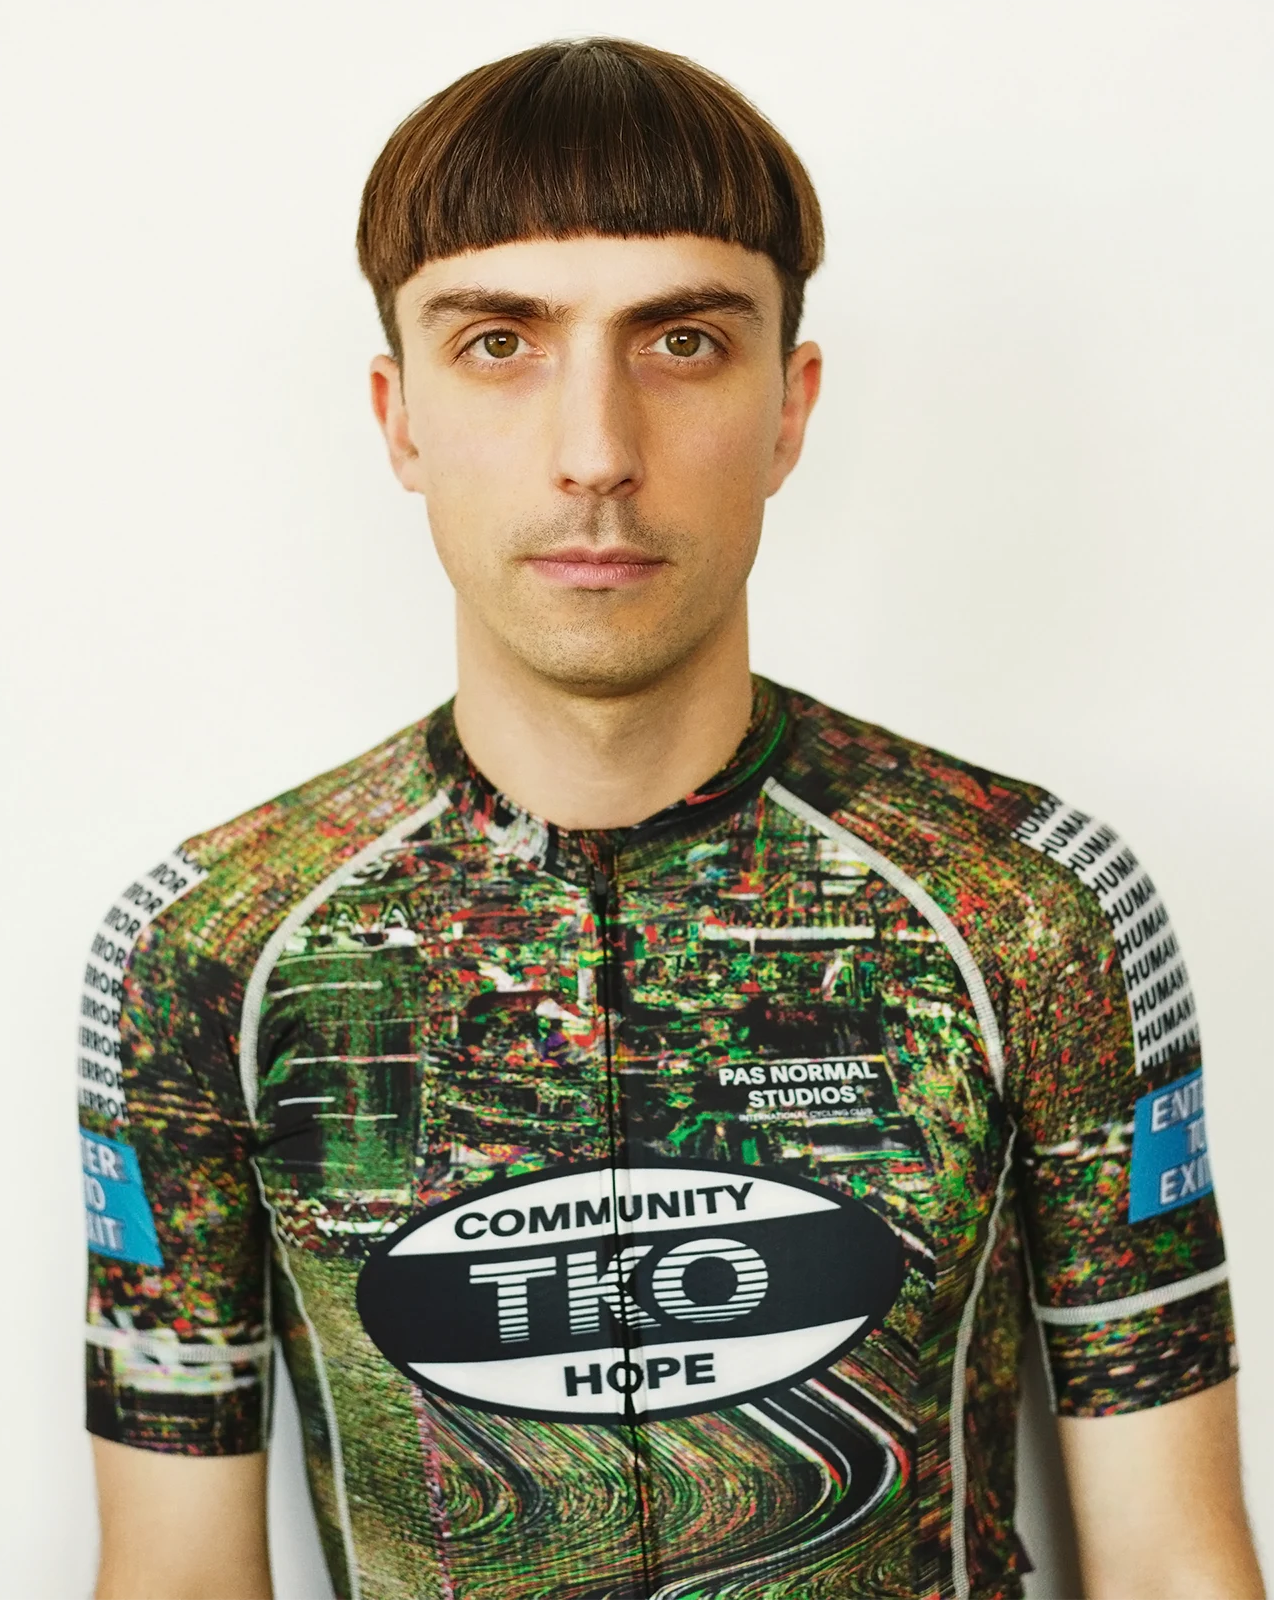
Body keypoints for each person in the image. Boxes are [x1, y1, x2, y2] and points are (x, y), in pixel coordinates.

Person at [82, 37, 1263, 1600]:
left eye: (684, 340)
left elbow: (1176, 1560)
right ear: (399, 417)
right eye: (499, 342)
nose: (597, 454)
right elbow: (171, 1578)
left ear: (789, 408)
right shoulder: (204, 947)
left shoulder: (1037, 905)